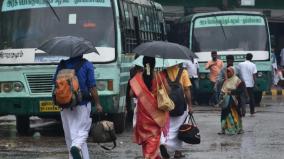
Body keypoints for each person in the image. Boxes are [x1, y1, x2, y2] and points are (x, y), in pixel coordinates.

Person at [54, 55, 103, 159]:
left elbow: (55, 82)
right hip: (82, 104)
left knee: (70, 137)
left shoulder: (62, 64)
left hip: (65, 105)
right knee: (82, 132)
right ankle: (76, 147)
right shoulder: (87, 65)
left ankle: (76, 152)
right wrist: (98, 103)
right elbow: (92, 87)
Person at [129, 56, 169, 159]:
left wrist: (143, 93)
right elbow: (168, 92)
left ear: (143, 64)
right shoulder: (159, 76)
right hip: (156, 117)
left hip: (142, 117)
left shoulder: (137, 77)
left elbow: (131, 94)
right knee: (151, 150)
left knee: (147, 146)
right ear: (154, 64)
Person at [160, 64, 193, 159]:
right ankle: (177, 152)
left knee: (167, 128)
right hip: (180, 106)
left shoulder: (163, 72)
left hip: (167, 106)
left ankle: (164, 144)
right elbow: (187, 90)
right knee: (180, 128)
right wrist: (190, 105)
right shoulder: (183, 72)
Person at [218, 67, 246, 135]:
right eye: (227, 72)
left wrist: (232, 92)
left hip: (234, 102)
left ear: (233, 72)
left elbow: (241, 91)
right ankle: (224, 129)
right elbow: (223, 90)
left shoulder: (237, 80)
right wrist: (222, 96)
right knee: (225, 115)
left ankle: (238, 129)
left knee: (234, 114)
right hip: (225, 101)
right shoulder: (226, 81)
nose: (227, 73)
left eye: (229, 71)